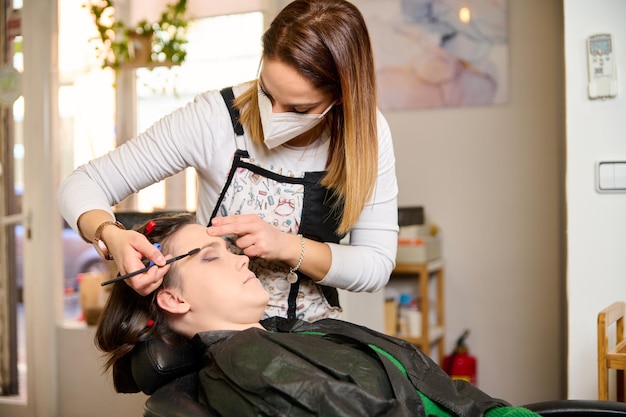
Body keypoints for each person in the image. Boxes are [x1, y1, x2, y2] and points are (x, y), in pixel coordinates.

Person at [57, 0, 398, 322]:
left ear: (340, 97)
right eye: (266, 92)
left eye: (298, 109)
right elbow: (82, 183)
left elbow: (375, 265)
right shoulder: (213, 119)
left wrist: (287, 245)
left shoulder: (364, 133)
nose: (272, 116)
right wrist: (111, 235)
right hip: (219, 335)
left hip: (314, 336)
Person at [96, 212, 538, 417]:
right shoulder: (246, 367)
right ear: (173, 301)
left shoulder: (292, 335)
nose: (242, 260)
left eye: (231, 250)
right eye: (211, 258)